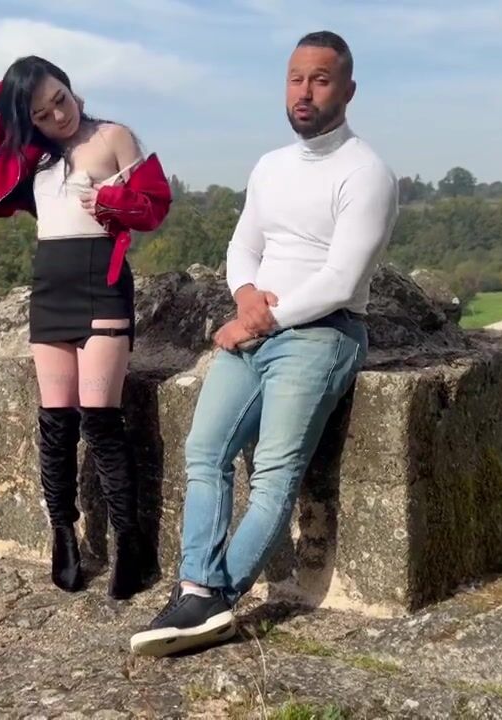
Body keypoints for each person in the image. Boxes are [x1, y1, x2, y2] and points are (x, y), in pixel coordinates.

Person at [129, 31, 399, 656]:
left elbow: (341, 280)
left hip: (322, 334)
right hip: (257, 327)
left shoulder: (366, 173)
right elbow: (243, 245)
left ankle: (212, 598)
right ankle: (197, 588)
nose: (305, 92)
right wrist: (246, 293)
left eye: (320, 80)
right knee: (205, 452)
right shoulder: (270, 166)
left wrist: (258, 321)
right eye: (296, 78)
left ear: (348, 90)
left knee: (274, 473)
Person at [0, 56, 172, 600]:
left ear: (72, 88)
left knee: (100, 420)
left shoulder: (113, 136)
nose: (59, 114)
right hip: (50, 288)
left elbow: (155, 207)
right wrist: (22, 90)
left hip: (102, 283)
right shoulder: (32, 153)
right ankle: (63, 535)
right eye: (42, 112)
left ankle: (129, 543)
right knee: (56, 423)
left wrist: (110, 200)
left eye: (60, 98)